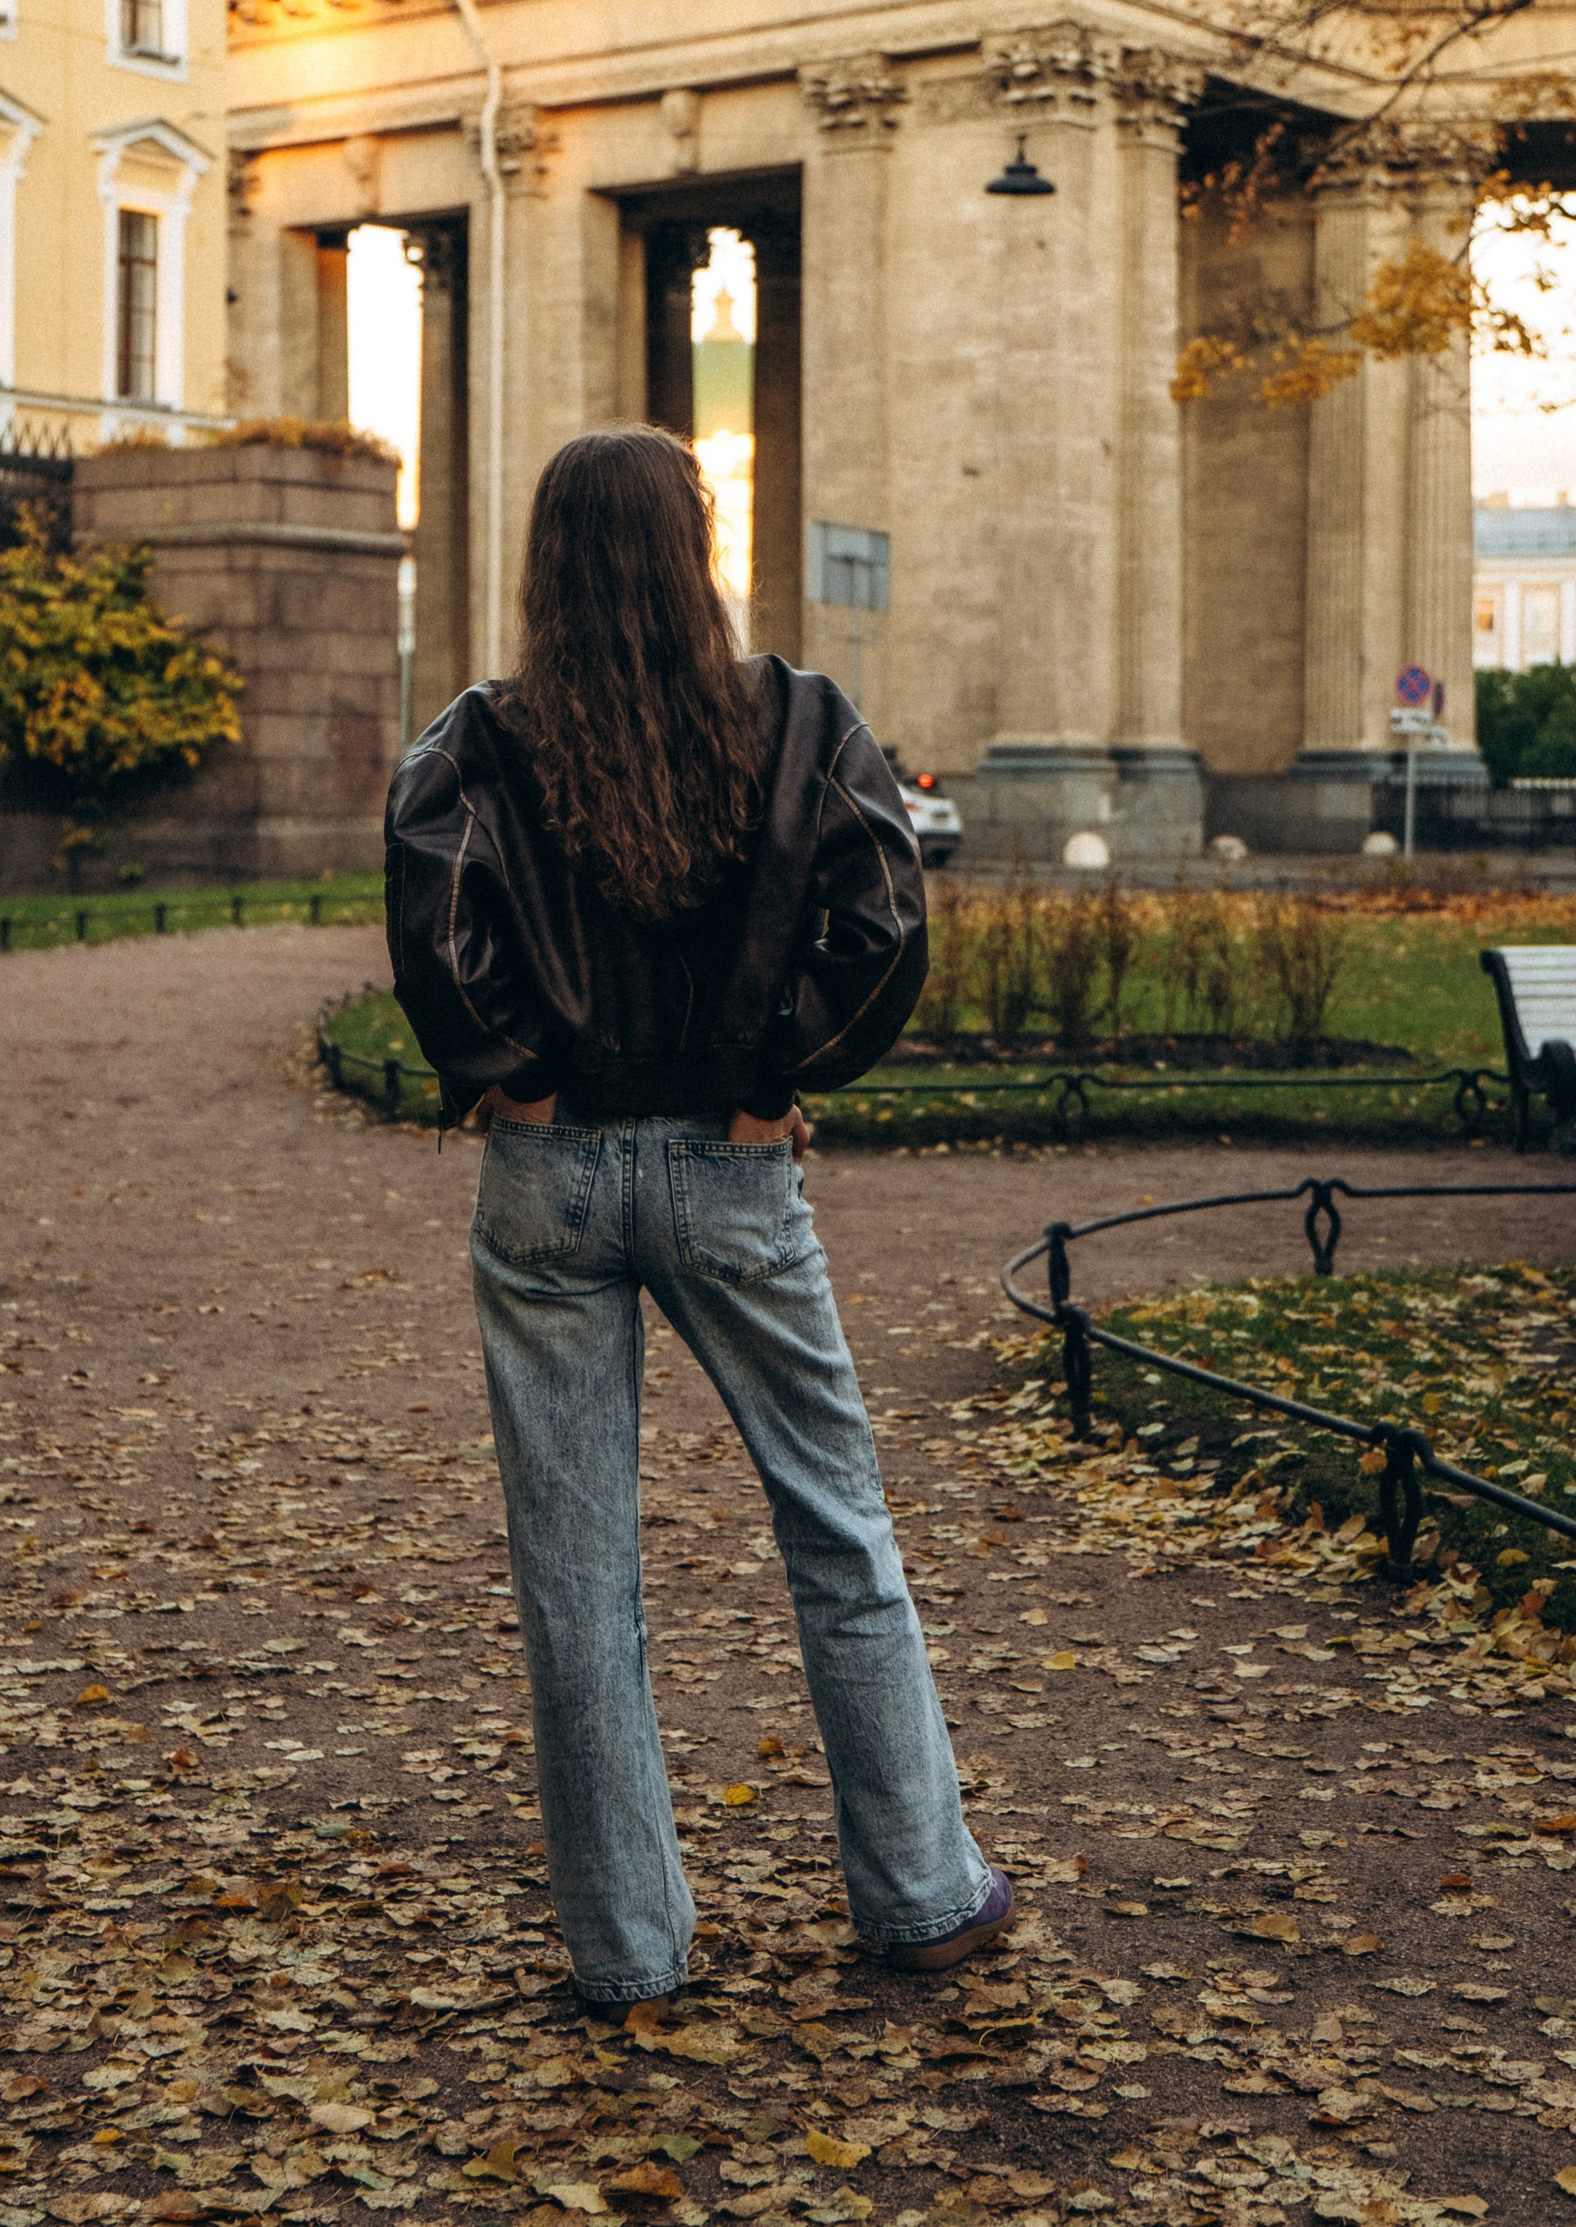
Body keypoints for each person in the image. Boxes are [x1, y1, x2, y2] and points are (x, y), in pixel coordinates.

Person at [384, 426, 1011, 2021]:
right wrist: (767, 1078)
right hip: (732, 1178)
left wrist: (520, 1079)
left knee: (574, 1576)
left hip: (551, 1182)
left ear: (547, 564)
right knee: (838, 1528)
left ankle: (628, 1953)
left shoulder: (478, 740)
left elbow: (436, 920)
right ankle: (924, 1895)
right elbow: (884, 921)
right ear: (696, 549)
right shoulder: (799, 721)